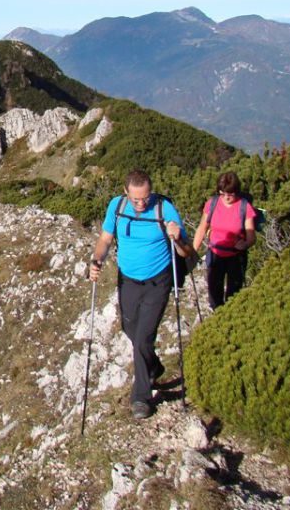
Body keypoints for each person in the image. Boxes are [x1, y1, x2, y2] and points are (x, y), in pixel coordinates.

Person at [88, 170, 196, 420]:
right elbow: (105, 239)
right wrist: (97, 260)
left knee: (144, 337)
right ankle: (154, 366)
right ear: (126, 192)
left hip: (158, 281)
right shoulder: (117, 206)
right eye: (136, 199)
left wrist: (177, 238)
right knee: (130, 330)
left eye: (145, 198)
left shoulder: (165, 209)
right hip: (127, 280)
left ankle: (141, 397)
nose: (141, 204)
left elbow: (186, 252)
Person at [191, 171, 257, 310]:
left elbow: (251, 237)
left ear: (236, 191)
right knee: (214, 294)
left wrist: (244, 244)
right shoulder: (212, 203)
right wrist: (192, 253)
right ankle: (218, 318)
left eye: (230, 194)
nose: (226, 197)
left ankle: (231, 319)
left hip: (236, 256)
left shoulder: (245, 207)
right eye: (223, 193)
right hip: (215, 254)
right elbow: (202, 228)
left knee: (234, 295)